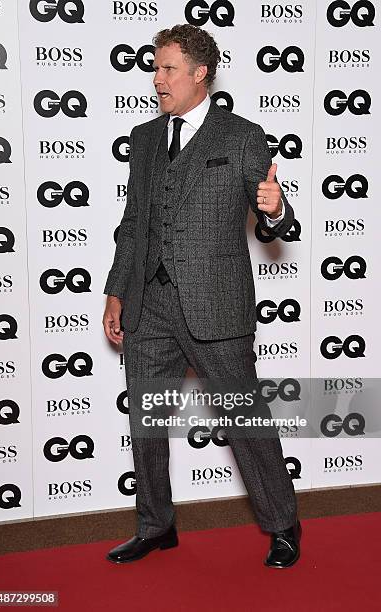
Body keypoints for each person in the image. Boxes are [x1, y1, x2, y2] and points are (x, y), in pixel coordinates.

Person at [102, 23, 301, 568]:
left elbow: (281, 224)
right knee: (146, 421)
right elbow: (134, 223)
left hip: (217, 307)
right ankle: (156, 525)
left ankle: (283, 525)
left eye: (167, 68)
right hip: (150, 306)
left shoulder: (241, 135)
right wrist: (117, 291)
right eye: (155, 66)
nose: (157, 77)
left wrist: (275, 208)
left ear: (199, 74)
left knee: (245, 421)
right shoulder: (144, 139)